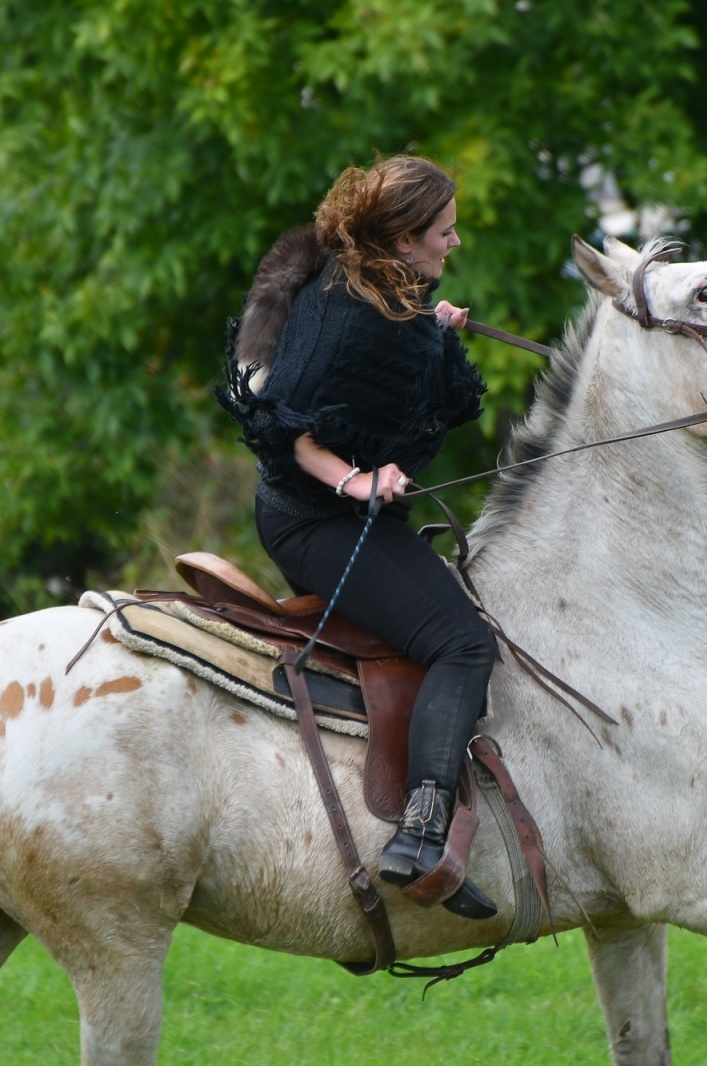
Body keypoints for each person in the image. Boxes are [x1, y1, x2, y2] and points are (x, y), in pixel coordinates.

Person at [218, 155, 497, 919]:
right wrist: (359, 481)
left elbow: (394, 382)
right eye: (444, 231)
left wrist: (434, 335)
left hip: (336, 512)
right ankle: (420, 831)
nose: (456, 241)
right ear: (403, 241)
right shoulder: (348, 313)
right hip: (315, 519)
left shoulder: (384, 292)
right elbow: (291, 430)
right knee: (464, 644)